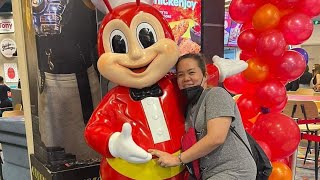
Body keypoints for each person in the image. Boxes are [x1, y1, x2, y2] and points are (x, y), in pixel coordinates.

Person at [149, 53, 256, 180]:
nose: (186, 78)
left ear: (205, 76)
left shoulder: (216, 94)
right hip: (210, 174)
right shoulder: (190, 107)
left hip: (233, 171)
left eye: (191, 73)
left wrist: (177, 159)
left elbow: (216, 137)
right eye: (180, 75)